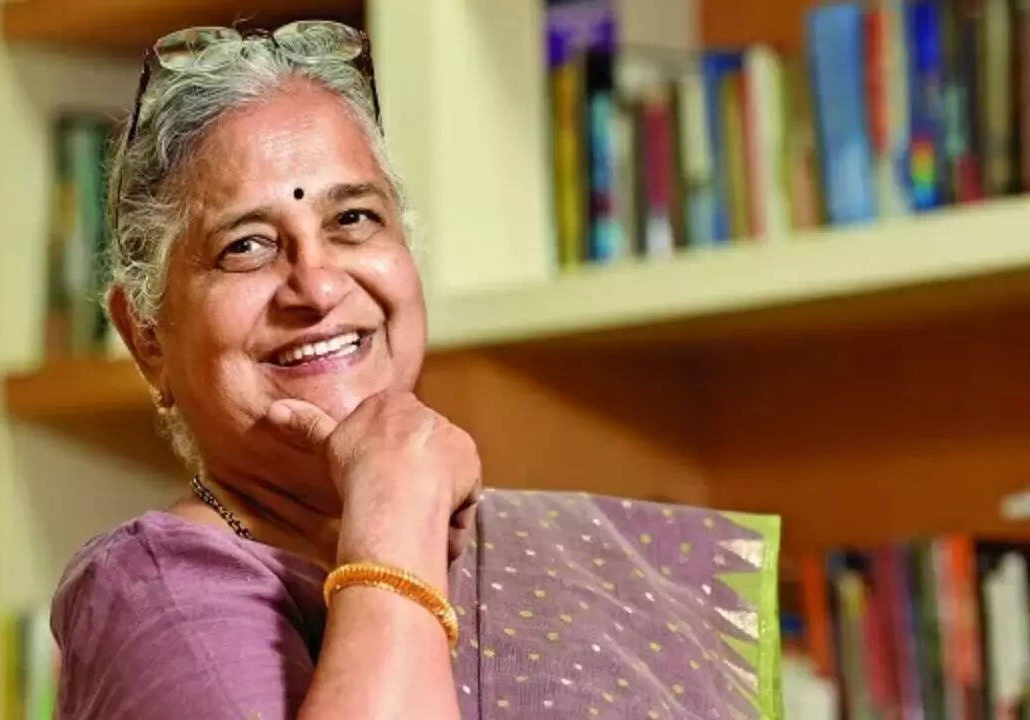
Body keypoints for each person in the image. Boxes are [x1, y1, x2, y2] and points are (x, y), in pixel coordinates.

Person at [52, 21, 781, 720]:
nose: (318, 286)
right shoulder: (157, 595)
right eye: (245, 245)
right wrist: (394, 519)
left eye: (353, 219)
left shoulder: (581, 560)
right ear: (145, 337)